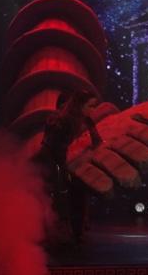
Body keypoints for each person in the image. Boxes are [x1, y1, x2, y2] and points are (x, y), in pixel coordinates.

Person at [33, 89, 102, 244]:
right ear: (80, 105)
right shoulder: (61, 121)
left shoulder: (87, 120)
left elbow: (97, 141)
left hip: (68, 164)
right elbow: (54, 149)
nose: (93, 110)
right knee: (57, 199)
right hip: (50, 162)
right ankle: (52, 235)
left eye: (94, 106)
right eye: (90, 106)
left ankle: (76, 234)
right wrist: (64, 170)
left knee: (77, 197)